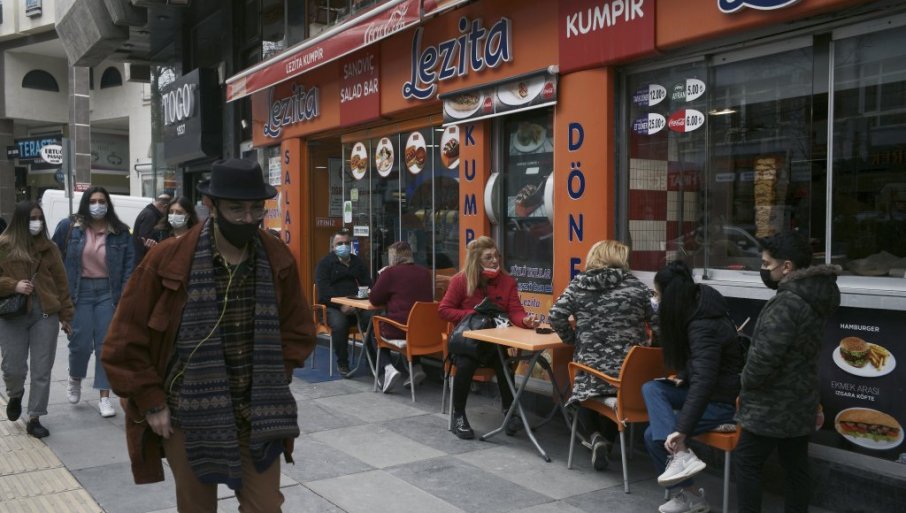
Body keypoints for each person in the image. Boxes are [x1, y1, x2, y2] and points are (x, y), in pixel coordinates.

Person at [101, 158, 315, 511]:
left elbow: (298, 329)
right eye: (237, 209)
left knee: (265, 506)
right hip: (188, 412)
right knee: (197, 507)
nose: (248, 218)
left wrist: (276, 374)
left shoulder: (276, 257)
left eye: (256, 209)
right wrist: (152, 401)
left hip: (257, 410)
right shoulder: (167, 259)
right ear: (211, 206)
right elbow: (124, 340)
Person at [735, 231, 840, 513]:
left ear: (787, 267)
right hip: (801, 399)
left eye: (767, 264)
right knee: (795, 466)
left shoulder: (787, 302)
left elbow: (764, 358)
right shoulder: (814, 296)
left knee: (747, 462)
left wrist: (746, 381)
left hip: (770, 404)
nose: (763, 270)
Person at [641, 260, 743, 513]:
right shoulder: (696, 310)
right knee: (652, 388)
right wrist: (684, 375)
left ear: (671, 297)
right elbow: (703, 362)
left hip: (721, 402)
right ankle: (682, 459)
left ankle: (690, 491)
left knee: (652, 436)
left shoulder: (702, 324)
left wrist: (682, 430)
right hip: (707, 392)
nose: (656, 301)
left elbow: (705, 380)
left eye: (658, 295)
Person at [549, 240, 657, 471]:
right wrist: (649, 344)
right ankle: (606, 442)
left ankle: (595, 437)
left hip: (590, 370)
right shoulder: (637, 287)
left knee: (580, 387)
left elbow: (555, 315)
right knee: (616, 393)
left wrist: (572, 339)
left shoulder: (579, 284)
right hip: (629, 375)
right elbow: (660, 321)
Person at [438, 236, 539, 440]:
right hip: (468, 342)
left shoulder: (507, 281)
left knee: (505, 364)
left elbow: (515, 311)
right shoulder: (460, 280)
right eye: (488, 257)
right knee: (466, 364)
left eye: (496, 256)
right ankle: (459, 415)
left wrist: (526, 320)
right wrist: (473, 315)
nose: (495, 261)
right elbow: (444, 310)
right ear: (476, 260)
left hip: (494, 344)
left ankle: (509, 413)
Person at [52, 186, 134, 418]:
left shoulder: (120, 232)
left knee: (105, 346)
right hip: (79, 293)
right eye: (93, 201)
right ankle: (75, 376)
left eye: (102, 201)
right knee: (79, 344)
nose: (97, 205)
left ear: (108, 204)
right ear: (86, 203)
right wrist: (60, 299)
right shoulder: (69, 228)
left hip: (108, 292)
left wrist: (124, 298)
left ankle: (104, 397)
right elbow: (53, 259)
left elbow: (130, 267)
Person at [0, 201, 73, 438]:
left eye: (39, 218)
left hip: (45, 313)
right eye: (32, 218)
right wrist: (13, 285)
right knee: (13, 367)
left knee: (42, 368)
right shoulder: (4, 245)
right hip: (13, 314)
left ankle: (35, 417)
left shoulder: (49, 248)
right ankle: (15, 394)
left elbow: (62, 283)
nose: (37, 223)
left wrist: (66, 315)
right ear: (21, 221)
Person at [368, 241, 434, 393]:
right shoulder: (425, 273)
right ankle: (416, 368)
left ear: (394, 257)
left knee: (374, 329)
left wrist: (382, 275)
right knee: (411, 322)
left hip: (400, 330)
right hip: (423, 331)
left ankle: (388, 368)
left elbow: (374, 299)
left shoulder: (390, 273)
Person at [315, 228, 372, 376]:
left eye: (347, 243)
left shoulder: (358, 262)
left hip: (357, 306)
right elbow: (324, 291)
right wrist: (341, 305)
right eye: (340, 243)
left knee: (374, 319)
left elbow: (368, 284)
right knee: (340, 324)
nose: (344, 246)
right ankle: (343, 363)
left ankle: (375, 360)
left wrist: (362, 302)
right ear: (333, 246)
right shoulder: (325, 264)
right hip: (332, 307)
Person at [132, 192, 171, 263]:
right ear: (165, 206)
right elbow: (146, 240)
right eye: (170, 210)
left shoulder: (148, 212)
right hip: (144, 260)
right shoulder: (151, 216)